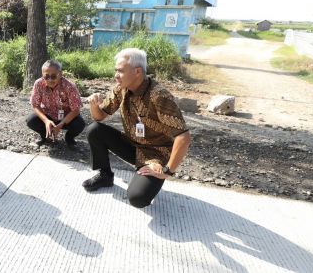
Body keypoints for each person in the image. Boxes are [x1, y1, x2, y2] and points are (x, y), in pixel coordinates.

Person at [84, 48, 191, 208]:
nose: (116, 75)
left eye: (120, 71)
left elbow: (183, 137)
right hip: (132, 144)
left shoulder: (159, 96)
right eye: (116, 71)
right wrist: (93, 105)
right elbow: (99, 117)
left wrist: (167, 171)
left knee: (137, 198)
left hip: (156, 154)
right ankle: (105, 175)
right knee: (95, 130)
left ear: (137, 71)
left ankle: (149, 178)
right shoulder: (121, 88)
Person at [26, 59, 85, 146]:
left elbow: (76, 110)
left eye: (53, 76)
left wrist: (61, 124)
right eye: (46, 76)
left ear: (60, 74)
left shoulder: (69, 86)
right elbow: (35, 105)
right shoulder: (38, 84)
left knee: (79, 124)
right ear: (42, 75)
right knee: (31, 120)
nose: (50, 80)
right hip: (48, 115)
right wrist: (46, 121)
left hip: (66, 118)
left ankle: (69, 138)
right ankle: (45, 136)